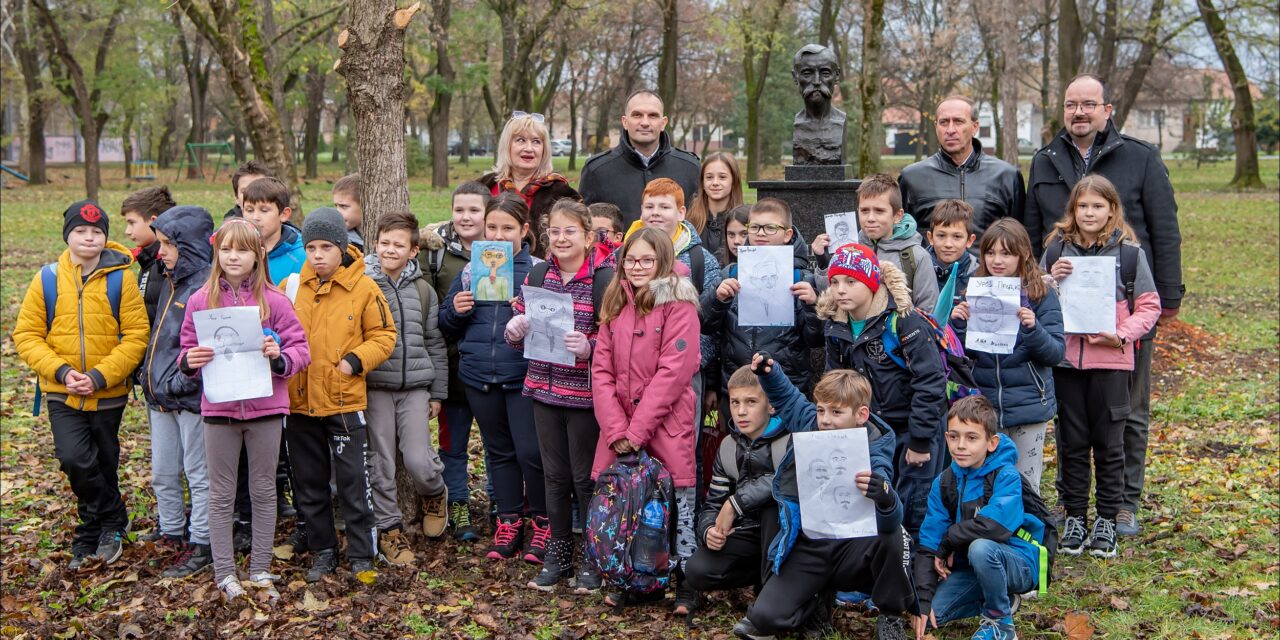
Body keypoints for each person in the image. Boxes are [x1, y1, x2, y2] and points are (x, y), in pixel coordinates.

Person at [1023, 74, 1183, 537]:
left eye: (1088, 105)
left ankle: (1125, 502)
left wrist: (1167, 298)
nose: (1079, 112)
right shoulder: (1046, 161)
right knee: (1070, 410)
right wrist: (1036, 287)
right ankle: (1072, 504)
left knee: (1128, 408)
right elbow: (1036, 235)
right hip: (1065, 322)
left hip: (1123, 312)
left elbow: (1164, 229)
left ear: (1106, 110)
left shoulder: (1139, 157)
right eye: (1072, 104)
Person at [733, 354, 914, 640]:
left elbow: (892, 518)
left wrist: (885, 496)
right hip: (812, 543)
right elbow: (789, 398)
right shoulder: (811, 423)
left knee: (897, 536)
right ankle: (813, 603)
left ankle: (891, 615)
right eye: (821, 410)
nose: (825, 420)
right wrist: (770, 372)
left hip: (854, 546)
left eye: (836, 412)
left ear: (861, 415)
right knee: (764, 619)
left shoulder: (876, 444)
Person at [177, 218, 310, 601]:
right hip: (218, 410)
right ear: (217, 253)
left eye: (243, 250)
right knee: (220, 493)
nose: (234, 257)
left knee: (264, 489)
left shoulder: (276, 301)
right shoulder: (201, 300)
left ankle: (261, 569)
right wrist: (191, 360)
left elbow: (301, 350)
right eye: (227, 249)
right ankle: (224, 573)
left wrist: (279, 356)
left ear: (258, 255)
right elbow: (184, 350)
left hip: (266, 409)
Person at [13, 201, 150, 570]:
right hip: (63, 392)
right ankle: (113, 517)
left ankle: (94, 530)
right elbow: (26, 334)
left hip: (108, 392)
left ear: (105, 236)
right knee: (74, 458)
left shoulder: (121, 278)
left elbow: (137, 335)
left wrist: (101, 376)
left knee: (104, 461)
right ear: (68, 235)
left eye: (96, 232)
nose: (89, 238)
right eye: (80, 231)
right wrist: (61, 372)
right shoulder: (47, 279)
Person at [1041, 175, 1159, 558]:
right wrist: (1048, 278)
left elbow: (1150, 307)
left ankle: (1107, 517)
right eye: (1082, 206)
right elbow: (1034, 296)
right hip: (1066, 362)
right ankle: (1075, 516)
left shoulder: (1129, 255)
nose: (1089, 213)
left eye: (1097, 206)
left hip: (1111, 363)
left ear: (1112, 209)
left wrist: (1121, 335)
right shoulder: (1057, 248)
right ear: (1072, 210)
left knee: (1110, 444)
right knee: (1071, 443)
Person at [591, 227, 702, 615]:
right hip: (620, 428)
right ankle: (635, 579)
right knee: (629, 506)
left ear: (663, 263)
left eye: (647, 260)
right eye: (631, 259)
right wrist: (617, 429)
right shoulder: (616, 304)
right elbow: (600, 371)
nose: (637, 267)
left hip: (665, 425)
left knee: (677, 505)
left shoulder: (679, 305)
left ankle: (688, 581)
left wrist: (637, 430)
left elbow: (675, 371)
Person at [503, 200, 613, 591]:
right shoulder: (537, 275)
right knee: (554, 477)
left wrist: (590, 346)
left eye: (571, 231)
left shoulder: (605, 281)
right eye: (555, 231)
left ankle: (593, 558)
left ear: (588, 237)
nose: (561, 238)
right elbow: (519, 336)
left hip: (584, 397)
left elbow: (616, 343)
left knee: (585, 479)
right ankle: (558, 553)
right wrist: (515, 331)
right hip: (543, 391)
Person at [287, 208, 397, 584]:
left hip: (343, 402)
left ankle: (363, 553)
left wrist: (354, 361)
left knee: (353, 482)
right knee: (309, 483)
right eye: (311, 248)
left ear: (342, 247)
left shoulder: (365, 287)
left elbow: (385, 336)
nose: (318, 255)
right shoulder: (293, 287)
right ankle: (322, 551)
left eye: (326, 247)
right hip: (299, 403)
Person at [440, 193, 548, 563]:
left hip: (521, 376)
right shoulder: (471, 269)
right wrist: (456, 310)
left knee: (530, 453)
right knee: (498, 453)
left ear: (524, 231)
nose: (499, 235)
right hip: (478, 376)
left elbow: (552, 326)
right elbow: (445, 323)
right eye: (492, 227)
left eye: (508, 228)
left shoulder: (539, 271)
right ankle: (508, 521)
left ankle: (543, 523)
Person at [818, 244, 947, 536]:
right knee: (878, 502)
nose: (841, 290)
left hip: (913, 427)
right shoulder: (836, 323)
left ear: (872, 282)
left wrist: (920, 440)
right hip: (873, 430)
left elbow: (930, 382)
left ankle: (918, 569)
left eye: (851, 282)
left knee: (916, 502)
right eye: (835, 282)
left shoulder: (903, 321)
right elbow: (835, 381)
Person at [912, 396, 1049, 640]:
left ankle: (1000, 623)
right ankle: (1000, 598)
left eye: (971, 437)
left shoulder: (1006, 476)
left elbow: (994, 527)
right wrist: (922, 600)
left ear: (992, 442)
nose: (960, 445)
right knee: (933, 614)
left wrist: (949, 540)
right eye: (954, 436)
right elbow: (928, 543)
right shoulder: (943, 482)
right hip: (973, 566)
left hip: (1020, 560)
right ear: (946, 438)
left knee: (981, 547)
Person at [949, 218, 1064, 489]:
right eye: (990, 253)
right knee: (986, 482)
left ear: (1022, 254)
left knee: (1025, 484)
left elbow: (1056, 353)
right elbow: (961, 358)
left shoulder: (1041, 295)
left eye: (1006, 253)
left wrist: (1033, 328)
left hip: (1028, 407)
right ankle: (987, 531)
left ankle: (1027, 531)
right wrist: (957, 326)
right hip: (984, 408)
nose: (997, 260)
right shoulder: (973, 292)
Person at [363, 212, 450, 566]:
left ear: (413, 250)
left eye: (399, 244)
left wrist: (438, 393)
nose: (390, 250)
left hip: (415, 388)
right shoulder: (363, 286)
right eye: (384, 243)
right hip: (375, 389)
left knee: (417, 459)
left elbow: (434, 342)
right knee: (380, 463)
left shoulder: (423, 292)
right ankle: (388, 529)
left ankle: (434, 493)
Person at [139, 205, 216, 578]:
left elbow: (207, 350)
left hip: (190, 397)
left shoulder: (205, 286)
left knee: (198, 473)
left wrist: (180, 382)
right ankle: (170, 531)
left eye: (169, 244)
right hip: (161, 396)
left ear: (192, 246)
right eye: (160, 243)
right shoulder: (167, 277)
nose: (161, 251)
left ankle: (202, 542)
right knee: (164, 472)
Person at [420, 182, 490, 542]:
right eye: (459, 209)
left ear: (487, 214)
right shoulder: (434, 253)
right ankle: (458, 504)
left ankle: (499, 504)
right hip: (450, 366)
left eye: (474, 210)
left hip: (492, 365)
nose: (466, 217)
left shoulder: (499, 252)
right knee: (453, 444)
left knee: (496, 443)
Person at [703, 199, 822, 406]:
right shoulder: (731, 273)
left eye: (770, 228)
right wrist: (717, 298)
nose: (760, 233)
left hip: (787, 387)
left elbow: (816, 340)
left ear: (787, 235)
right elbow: (705, 324)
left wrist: (813, 306)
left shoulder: (803, 278)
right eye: (755, 227)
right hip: (737, 385)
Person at [684, 366, 785, 598]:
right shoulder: (728, 446)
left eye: (751, 402)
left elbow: (785, 481)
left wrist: (735, 503)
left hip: (786, 537)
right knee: (697, 570)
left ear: (770, 405)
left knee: (773, 505)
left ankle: (774, 591)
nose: (741, 411)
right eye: (734, 402)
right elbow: (713, 503)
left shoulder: (789, 439)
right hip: (747, 535)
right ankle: (763, 577)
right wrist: (709, 530)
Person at [899, 96, 1025, 236]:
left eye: (958, 121)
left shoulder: (1006, 176)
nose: (950, 129)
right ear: (936, 127)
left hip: (984, 258)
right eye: (944, 122)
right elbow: (898, 236)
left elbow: (1019, 239)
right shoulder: (912, 177)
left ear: (975, 127)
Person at [814, 173, 939, 313]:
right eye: (864, 211)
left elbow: (927, 310)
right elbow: (833, 299)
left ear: (897, 216)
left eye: (879, 211)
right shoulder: (849, 250)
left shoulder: (916, 257)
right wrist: (823, 262)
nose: (870, 218)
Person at [578, 90, 700, 225]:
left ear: (663, 122)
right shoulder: (597, 170)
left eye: (653, 116)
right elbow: (584, 226)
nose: (645, 122)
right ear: (624, 121)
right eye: (637, 115)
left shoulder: (690, 168)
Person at [479, 111, 580, 254]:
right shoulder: (485, 186)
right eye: (520, 140)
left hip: (542, 273)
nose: (529, 148)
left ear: (544, 150)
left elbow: (578, 238)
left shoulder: (561, 192)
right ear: (507, 145)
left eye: (536, 141)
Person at [119, 185, 177, 321]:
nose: (127, 231)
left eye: (132, 223)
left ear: (154, 222)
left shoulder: (168, 264)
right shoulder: (148, 258)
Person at [240, 177, 305, 287]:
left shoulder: (302, 256)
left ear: (284, 214)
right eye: (249, 210)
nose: (255, 217)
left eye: (264, 210)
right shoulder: (231, 250)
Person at [687, 152, 745, 257]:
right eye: (709, 177)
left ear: (734, 181)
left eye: (722, 177)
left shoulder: (746, 220)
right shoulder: (689, 220)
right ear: (702, 182)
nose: (715, 182)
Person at [926, 200, 979, 313]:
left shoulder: (978, 275)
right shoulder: (917, 267)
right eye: (941, 235)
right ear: (930, 238)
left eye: (957, 237)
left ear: (970, 240)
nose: (948, 244)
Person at [333, 173, 366, 252]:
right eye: (336, 206)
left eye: (343, 206)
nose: (338, 212)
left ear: (364, 205)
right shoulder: (337, 240)